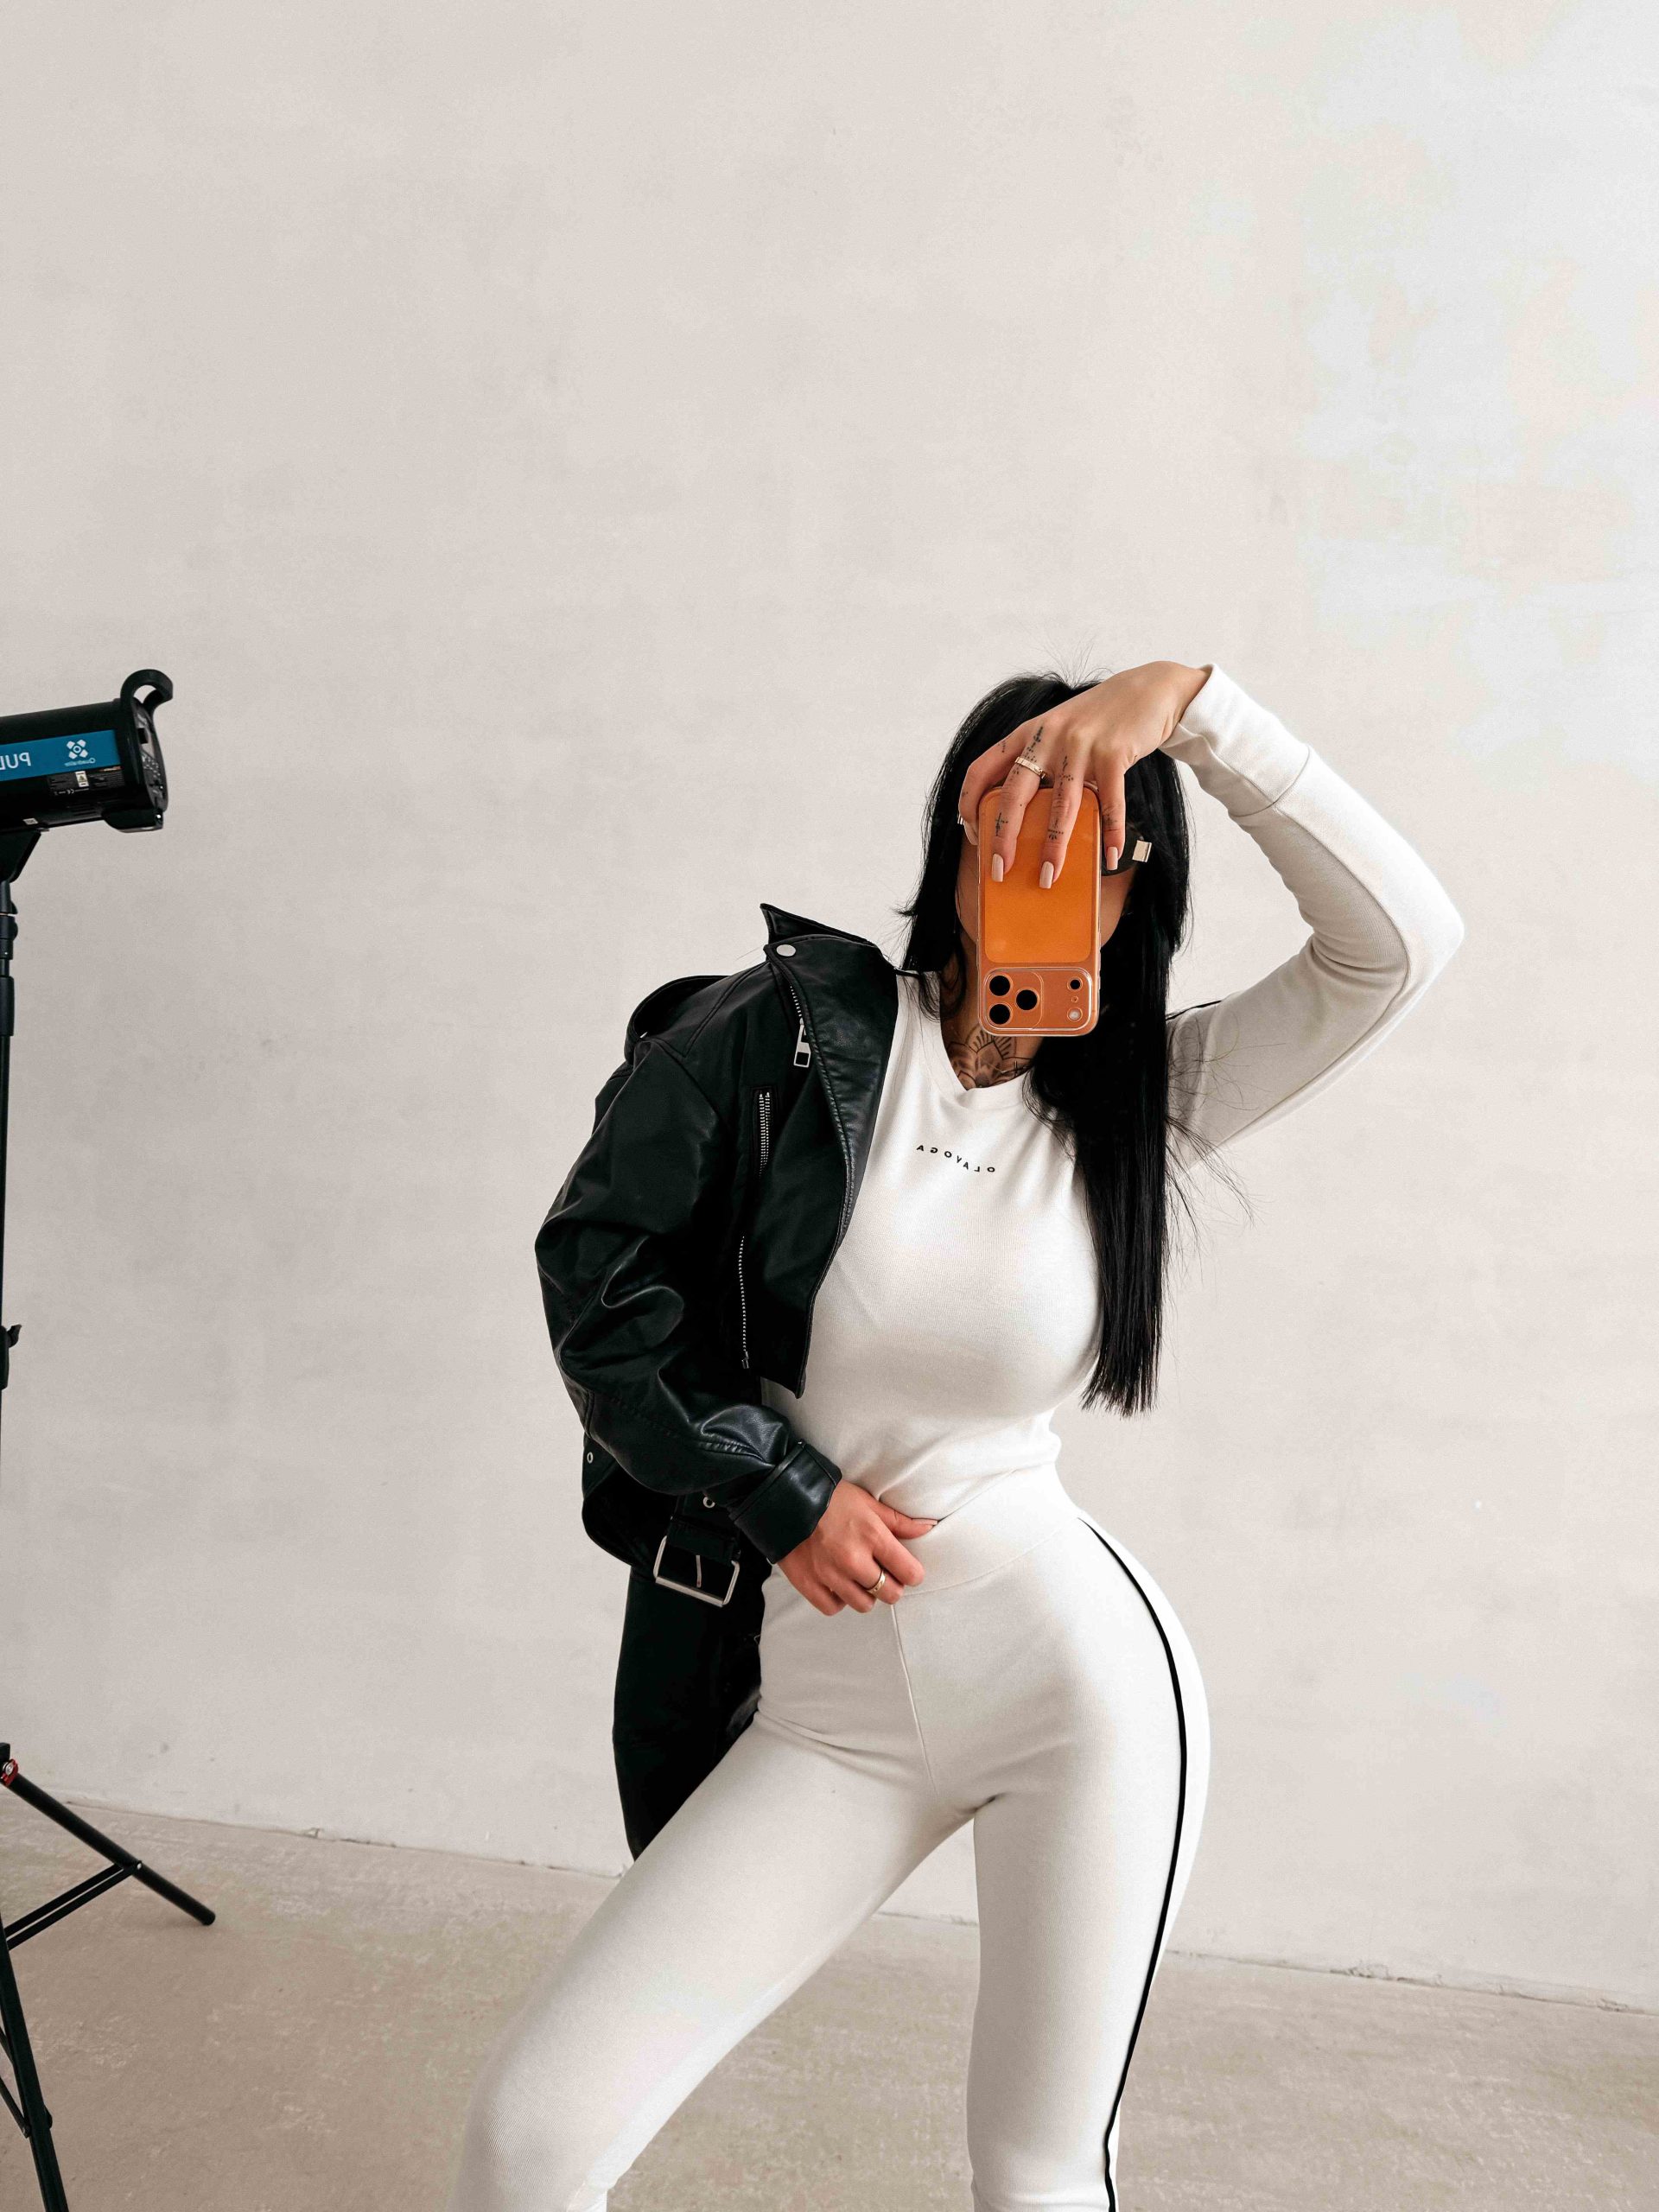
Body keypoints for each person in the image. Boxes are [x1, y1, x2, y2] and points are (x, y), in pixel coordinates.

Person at [446, 658, 1465, 2212]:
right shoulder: (785, 1037)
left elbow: (1399, 947)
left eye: (1096, 838)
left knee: (1038, 2173)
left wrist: (1197, 710)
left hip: (1074, 1695)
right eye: (1016, 812)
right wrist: (778, 1488)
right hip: (828, 1709)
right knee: (531, 2141)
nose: (1051, 857)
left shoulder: (1148, 1104)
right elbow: (600, 1270)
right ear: (957, 827)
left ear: (1142, 884)